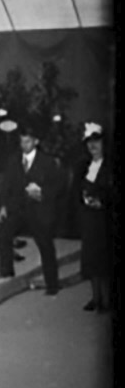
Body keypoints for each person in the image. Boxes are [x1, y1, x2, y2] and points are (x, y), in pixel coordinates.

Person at [0, 118, 63, 295]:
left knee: (45, 246)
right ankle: (6, 269)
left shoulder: (47, 162)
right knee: (3, 234)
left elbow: (57, 185)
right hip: (18, 209)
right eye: (21, 141)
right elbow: (6, 185)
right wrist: (3, 206)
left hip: (39, 210)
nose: (24, 145)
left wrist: (42, 193)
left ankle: (52, 284)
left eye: (27, 141)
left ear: (35, 141)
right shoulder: (14, 161)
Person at [74, 124, 111, 313]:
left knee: (104, 260)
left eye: (96, 141)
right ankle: (96, 297)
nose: (93, 146)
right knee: (92, 260)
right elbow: (77, 188)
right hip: (89, 219)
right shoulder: (85, 165)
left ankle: (106, 300)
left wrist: (102, 201)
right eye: (89, 142)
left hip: (104, 219)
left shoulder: (108, 165)